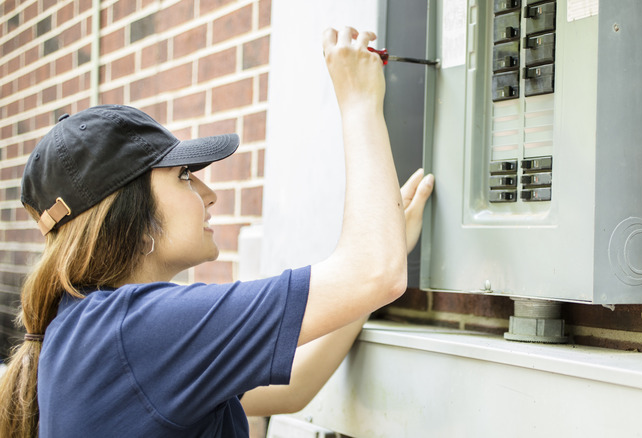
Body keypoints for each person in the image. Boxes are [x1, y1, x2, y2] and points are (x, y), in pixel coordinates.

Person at [0, 26, 434, 437]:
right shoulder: (139, 329)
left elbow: (292, 388)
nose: (209, 194)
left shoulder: (91, 328)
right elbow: (375, 272)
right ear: (126, 209)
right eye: (185, 176)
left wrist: (380, 254)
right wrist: (359, 99)